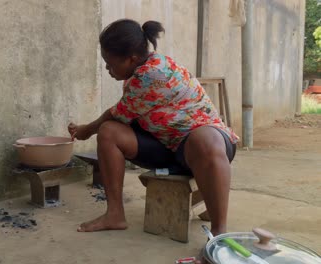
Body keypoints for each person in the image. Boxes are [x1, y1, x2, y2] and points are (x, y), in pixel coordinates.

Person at [68, 19, 239, 239]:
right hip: (169, 147)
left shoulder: (153, 73)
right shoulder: (138, 71)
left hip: (208, 148)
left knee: (203, 138)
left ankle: (219, 235)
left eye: (110, 64)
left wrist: (85, 130)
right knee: (109, 132)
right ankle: (115, 215)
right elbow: (122, 118)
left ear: (132, 59)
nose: (108, 69)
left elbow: (115, 113)